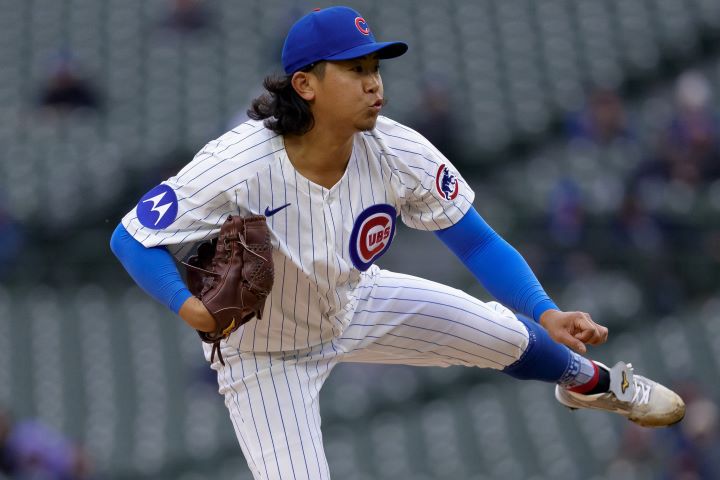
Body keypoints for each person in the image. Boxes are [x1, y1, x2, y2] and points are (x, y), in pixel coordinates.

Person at [110, 7, 685, 479]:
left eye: (375, 68)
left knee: (506, 335)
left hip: (354, 302)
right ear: (305, 85)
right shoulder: (238, 163)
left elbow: (476, 243)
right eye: (354, 69)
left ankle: (592, 384)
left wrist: (546, 310)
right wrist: (190, 308)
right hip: (263, 356)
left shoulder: (397, 149)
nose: (373, 83)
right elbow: (132, 239)